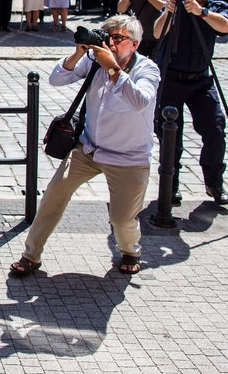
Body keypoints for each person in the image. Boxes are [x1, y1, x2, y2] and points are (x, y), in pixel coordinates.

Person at [9, 15, 160, 277]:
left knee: (122, 219)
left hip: (128, 157)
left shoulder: (147, 69)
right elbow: (56, 79)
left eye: (118, 38)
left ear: (134, 45)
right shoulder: (94, 61)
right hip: (88, 149)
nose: (110, 43)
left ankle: (130, 251)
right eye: (107, 36)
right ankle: (30, 255)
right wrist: (78, 53)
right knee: (52, 197)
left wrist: (113, 68)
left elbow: (140, 101)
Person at [153, 0, 228, 206]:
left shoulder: (214, 7)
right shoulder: (176, 4)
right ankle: (171, 186)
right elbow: (157, 34)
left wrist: (202, 12)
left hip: (200, 78)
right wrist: (168, 12)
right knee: (169, 135)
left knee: (215, 130)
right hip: (172, 78)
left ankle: (214, 182)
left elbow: (225, 26)